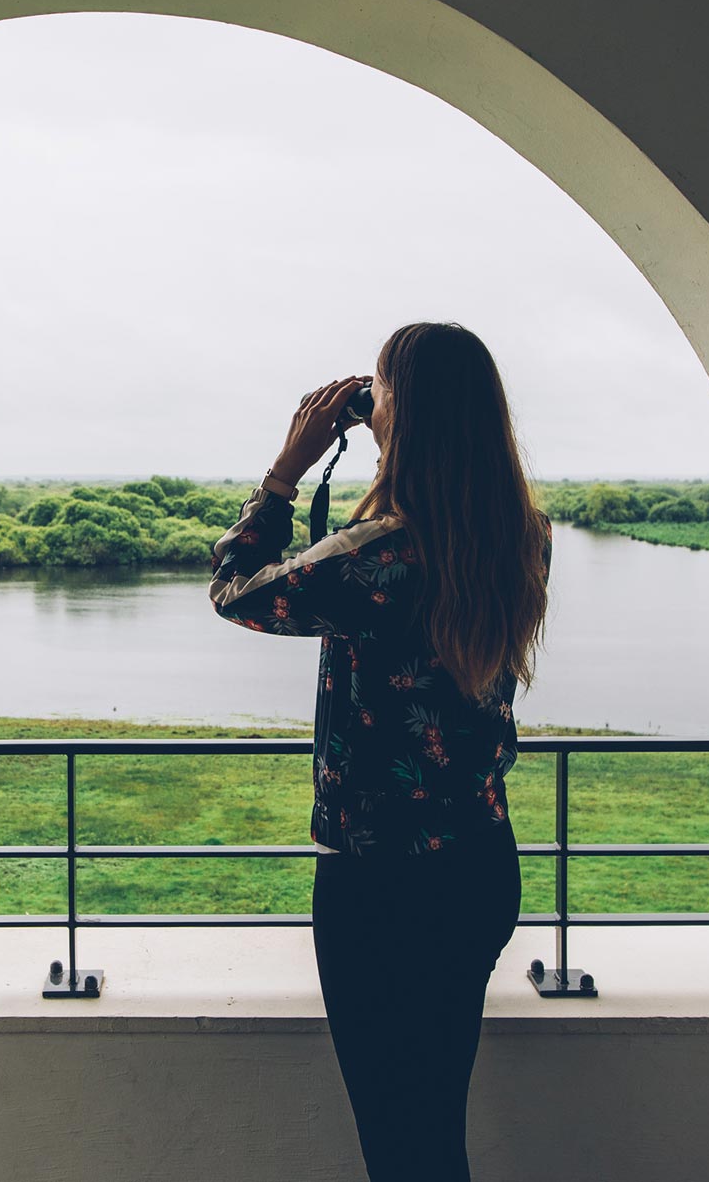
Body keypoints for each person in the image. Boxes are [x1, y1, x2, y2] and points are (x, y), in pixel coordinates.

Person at [208, 321, 552, 1181]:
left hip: (383, 884)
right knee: (431, 1124)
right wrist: (387, 432)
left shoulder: (382, 555)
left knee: (401, 1144)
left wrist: (288, 468)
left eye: (383, 393)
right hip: (477, 864)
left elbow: (236, 592)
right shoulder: (520, 532)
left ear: (409, 417)